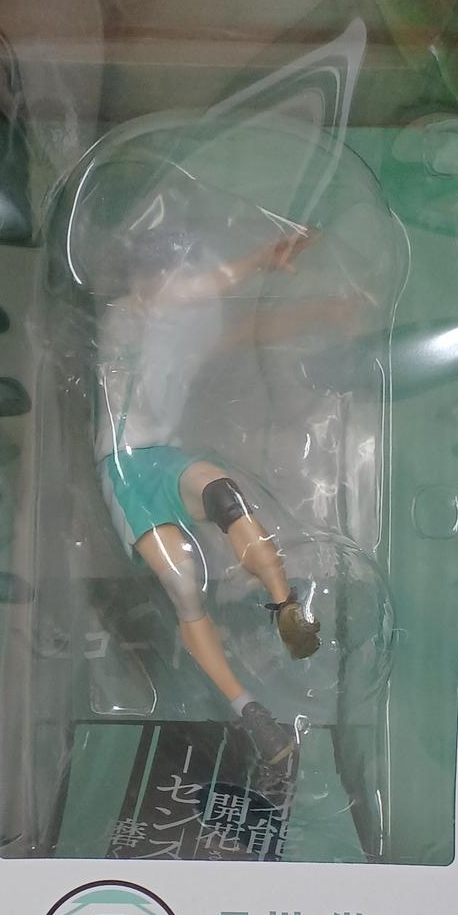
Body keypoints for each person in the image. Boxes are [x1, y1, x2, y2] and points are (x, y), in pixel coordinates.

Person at [95, 222, 321, 770]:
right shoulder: (124, 315)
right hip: (124, 468)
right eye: (164, 273)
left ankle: (285, 606)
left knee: (224, 495)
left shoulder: (181, 330)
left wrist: (326, 313)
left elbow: (244, 331)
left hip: (165, 458)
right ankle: (248, 709)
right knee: (183, 584)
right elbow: (187, 293)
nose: (174, 283)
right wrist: (256, 261)